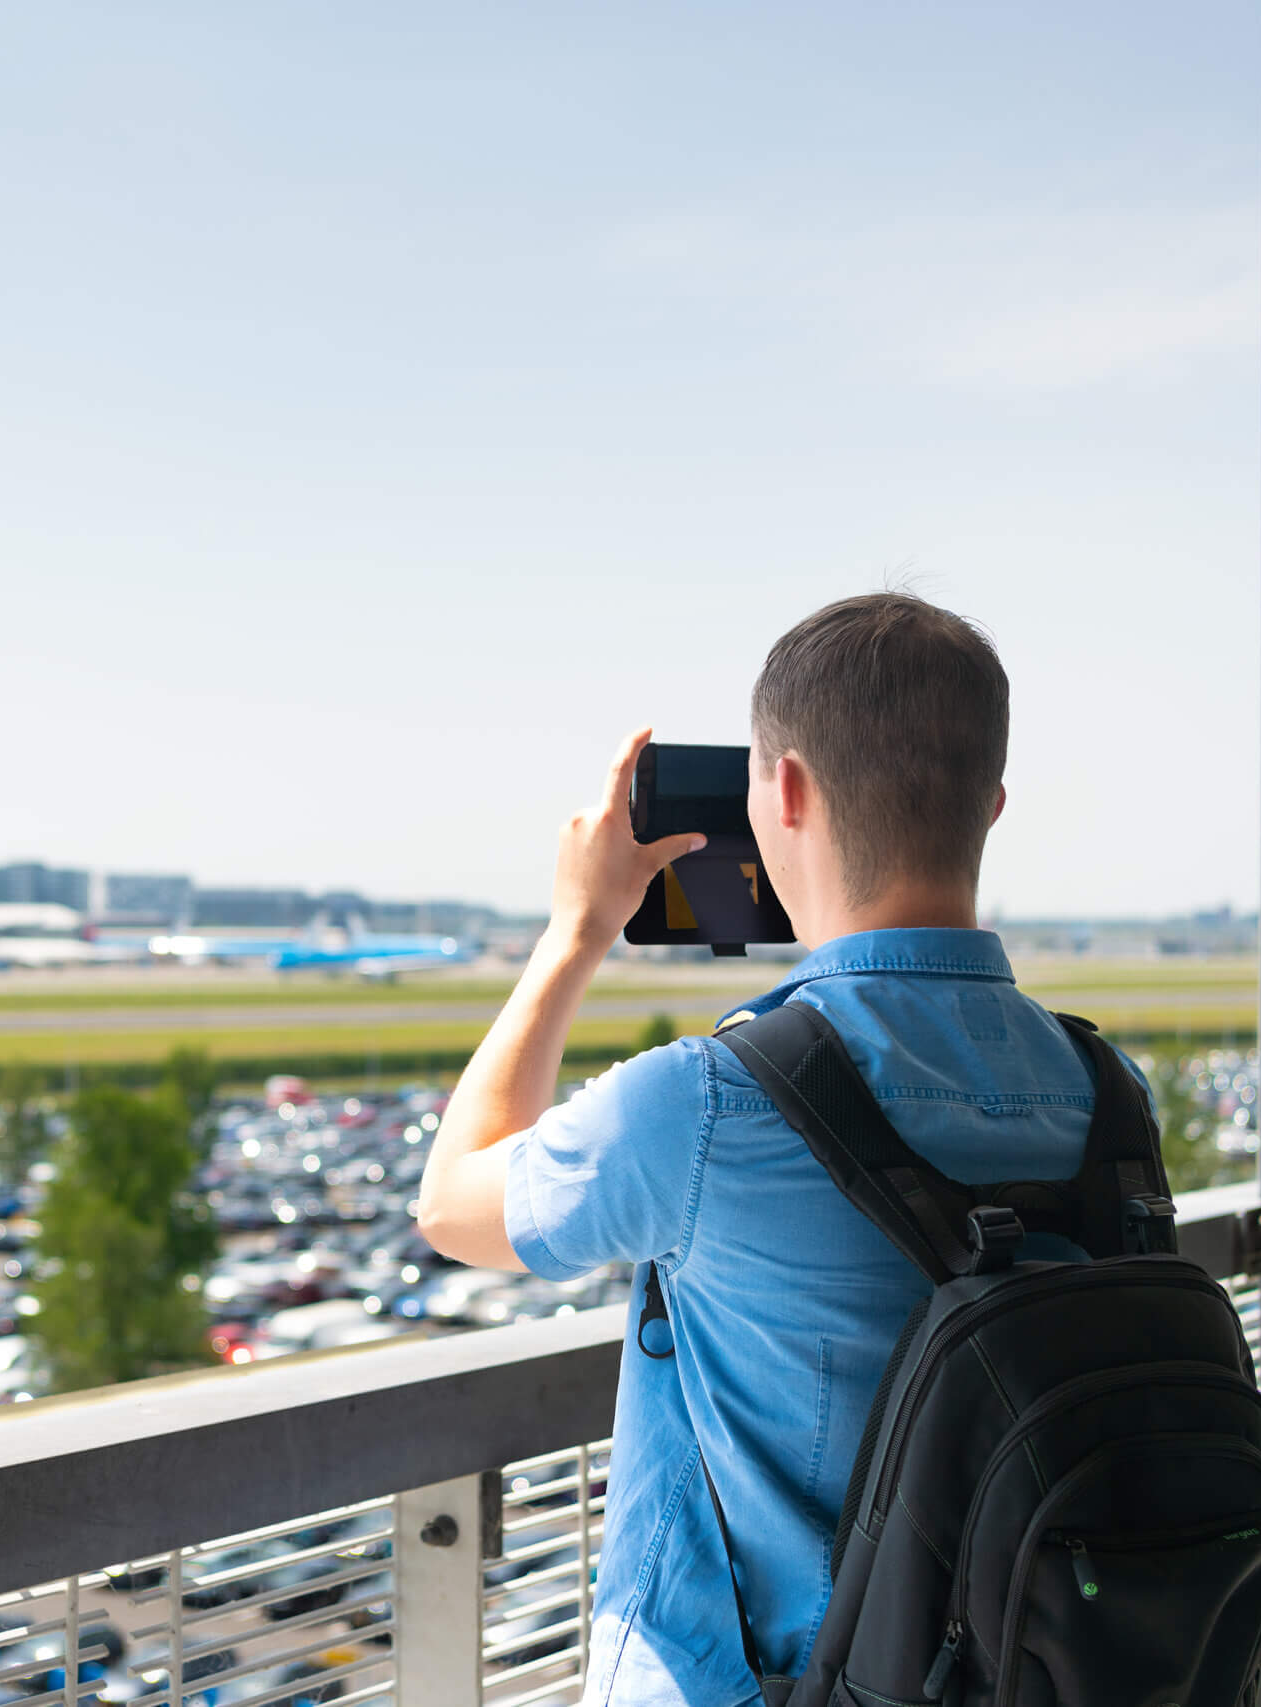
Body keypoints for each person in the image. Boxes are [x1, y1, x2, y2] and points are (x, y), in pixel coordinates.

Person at [417, 591, 1142, 1706]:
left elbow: (452, 1208)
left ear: (783, 793)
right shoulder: (1107, 1093)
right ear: (992, 806)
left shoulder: (706, 1101)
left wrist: (576, 931)